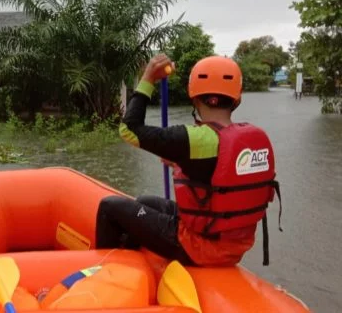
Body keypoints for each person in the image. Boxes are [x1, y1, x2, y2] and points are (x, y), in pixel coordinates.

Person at [96, 54, 281, 267]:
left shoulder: (191, 139)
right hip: (231, 245)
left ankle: (105, 274)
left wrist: (148, 78)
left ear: (194, 98)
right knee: (145, 201)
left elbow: (129, 130)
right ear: (236, 99)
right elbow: (219, 176)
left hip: (200, 248)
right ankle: (133, 263)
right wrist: (179, 163)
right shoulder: (246, 139)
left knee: (109, 206)